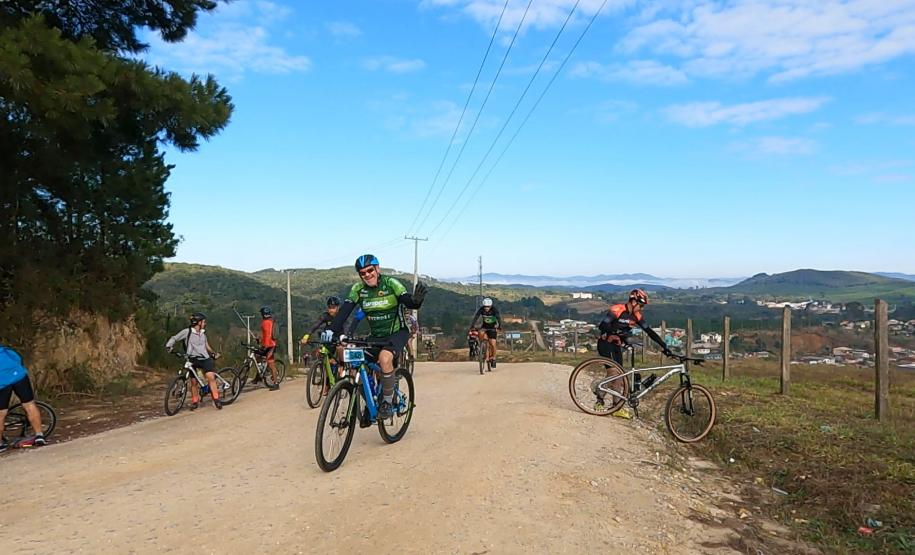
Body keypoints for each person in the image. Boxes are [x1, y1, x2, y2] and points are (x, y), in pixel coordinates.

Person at [327, 254, 427, 419]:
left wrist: (416, 301)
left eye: (370, 270)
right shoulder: (358, 289)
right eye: (363, 273)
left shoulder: (391, 283)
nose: (367, 275)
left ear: (377, 269)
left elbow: (407, 300)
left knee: (385, 358)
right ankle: (372, 401)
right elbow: (345, 312)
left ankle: (387, 402)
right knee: (353, 362)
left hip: (397, 332)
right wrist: (331, 331)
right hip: (376, 336)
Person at [594, 289, 673, 409]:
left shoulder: (637, 316)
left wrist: (664, 346)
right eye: (641, 305)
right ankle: (599, 400)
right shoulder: (617, 309)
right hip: (605, 343)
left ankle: (616, 407)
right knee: (614, 373)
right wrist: (615, 332)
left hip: (616, 345)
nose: (641, 308)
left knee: (619, 376)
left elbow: (650, 332)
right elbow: (603, 325)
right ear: (634, 302)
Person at [165, 312, 223, 410]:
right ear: (199, 323)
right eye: (203, 322)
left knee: (210, 377)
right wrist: (169, 346)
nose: (205, 323)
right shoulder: (187, 332)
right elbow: (174, 338)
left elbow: (206, 346)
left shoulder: (202, 333)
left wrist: (213, 353)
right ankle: (195, 401)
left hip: (205, 359)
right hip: (192, 359)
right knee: (193, 382)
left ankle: (216, 399)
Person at [0, 344, 46, 451]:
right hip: (19, 376)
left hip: (2, 382)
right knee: (29, 404)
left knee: (1, 413)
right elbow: (17, 358)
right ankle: (39, 436)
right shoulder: (3, 349)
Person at [470, 297, 501, 368]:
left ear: (491, 306)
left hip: (492, 328)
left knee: (493, 343)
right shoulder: (481, 309)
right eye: (485, 307)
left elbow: (499, 318)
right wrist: (472, 326)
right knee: (481, 333)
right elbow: (476, 317)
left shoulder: (494, 310)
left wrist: (499, 327)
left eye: (488, 307)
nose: (486, 308)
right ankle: (482, 346)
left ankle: (493, 358)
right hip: (484, 327)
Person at [258, 306, 280, 391]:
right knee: (258, 358)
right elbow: (264, 335)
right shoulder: (270, 321)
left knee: (271, 364)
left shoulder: (266, 322)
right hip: (269, 345)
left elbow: (267, 336)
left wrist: (263, 345)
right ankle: (258, 377)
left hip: (270, 346)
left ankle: (276, 383)